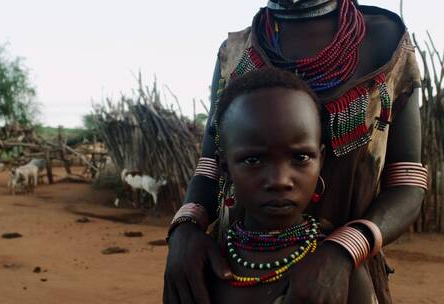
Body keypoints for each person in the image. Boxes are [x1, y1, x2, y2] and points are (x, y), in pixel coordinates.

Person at [164, 1, 427, 303]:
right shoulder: (236, 52)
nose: (279, 179)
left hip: (344, 275)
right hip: (233, 263)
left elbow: (408, 183)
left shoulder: (385, 42)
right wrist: (184, 229)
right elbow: (212, 164)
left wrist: (342, 252)